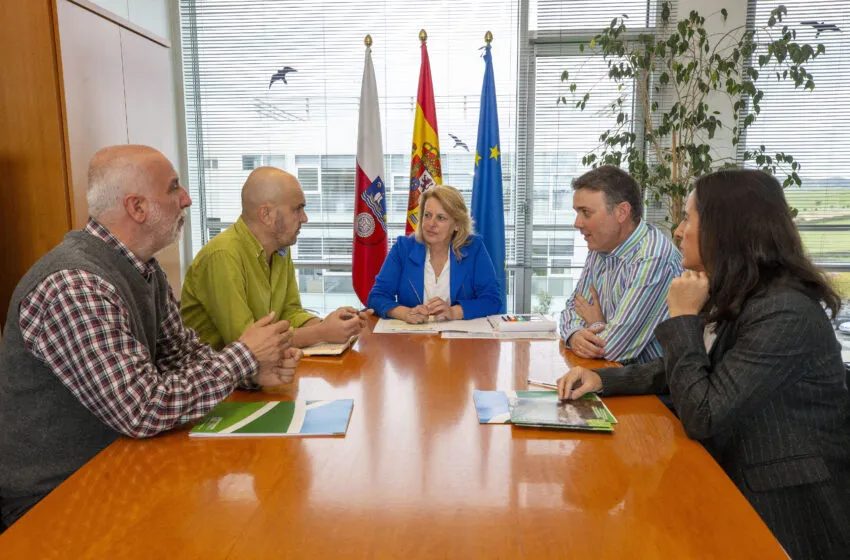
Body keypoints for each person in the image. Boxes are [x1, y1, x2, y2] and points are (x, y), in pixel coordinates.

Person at [0, 145, 301, 528]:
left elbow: (183, 356)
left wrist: (252, 372)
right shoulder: (75, 285)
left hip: (122, 468)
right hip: (55, 499)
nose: (187, 199)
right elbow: (142, 409)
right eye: (174, 188)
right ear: (137, 208)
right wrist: (243, 357)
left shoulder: (145, 271)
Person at [557, 169, 850, 559]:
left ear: (725, 229)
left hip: (783, 504)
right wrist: (603, 381)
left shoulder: (783, 311)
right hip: (731, 470)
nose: (678, 231)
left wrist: (682, 319)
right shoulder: (742, 290)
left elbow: (705, 414)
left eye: (688, 219)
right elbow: (685, 366)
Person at [180, 167, 370, 349]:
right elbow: (246, 343)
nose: (305, 218)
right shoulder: (222, 255)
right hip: (218, 377)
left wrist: (334, 325)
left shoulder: (280, 249)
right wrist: (321, 332)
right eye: (298, 209)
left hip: (260, 372)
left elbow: (290, 313)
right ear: (266, 214)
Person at [559, 166, 682, 364]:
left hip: (653, 389)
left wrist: (596, 323)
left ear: (621, 212)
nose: (577, 223)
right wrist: (574, 335)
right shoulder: (600, 246)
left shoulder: (652, 258)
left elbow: (614, 348)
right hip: (612, 376)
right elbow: (571, 310)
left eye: (586, 213)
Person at [367, 185, 501, 323]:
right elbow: (376, 297)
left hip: (460, 340)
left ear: (457, 225)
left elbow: (492, 300)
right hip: (411, 339)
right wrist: (406, 313)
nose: (431, 223)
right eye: (427, 215)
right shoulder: (403, 248)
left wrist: (453, 312)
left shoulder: (474, 248)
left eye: (441, 218)